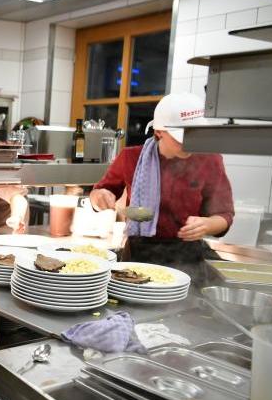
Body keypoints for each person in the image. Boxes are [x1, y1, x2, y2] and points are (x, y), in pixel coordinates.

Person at [89, 92, 234, 286]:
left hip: (188, 257)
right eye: (182, 137)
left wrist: (208, 224)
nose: (190, 143)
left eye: (195, 135)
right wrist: (100, 196)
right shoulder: (131, 158)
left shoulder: (210, 160)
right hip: (139, 256)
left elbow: (224, 215)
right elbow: (98, 196)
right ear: (159, 132)